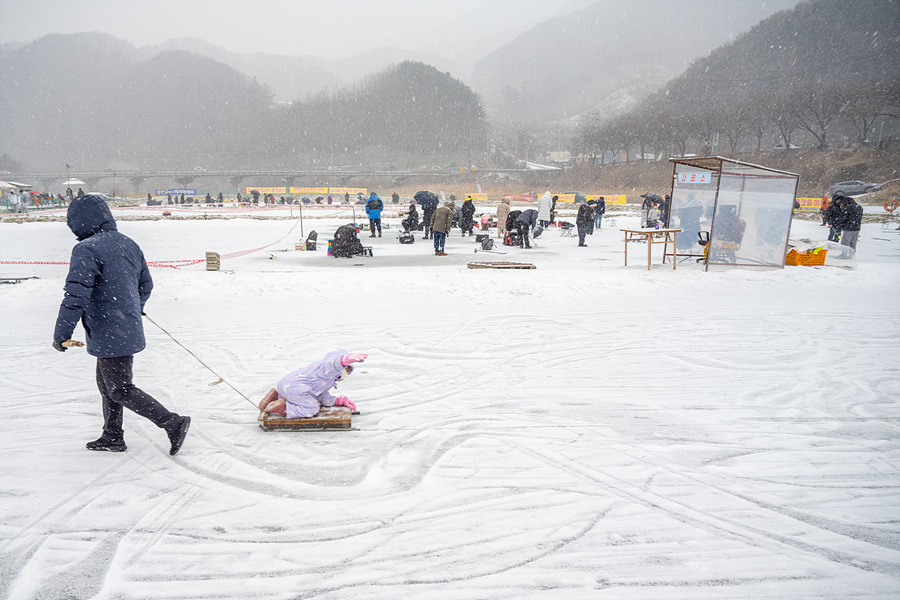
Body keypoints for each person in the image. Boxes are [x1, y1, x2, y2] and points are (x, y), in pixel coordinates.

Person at [52, 194, 190, 455]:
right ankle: (112, 435)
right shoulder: (128, 244)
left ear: (80, 222)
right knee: (107, 387)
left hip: (108, 330)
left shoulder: (86, 249)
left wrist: (61, 333)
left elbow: (76, 295)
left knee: (120, 389)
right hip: (121, 328)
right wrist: (132, 310)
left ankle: (172, 422)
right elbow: (145, 285)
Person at [259, 350, 367, 418]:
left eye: (348, 372)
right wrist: (344, 360)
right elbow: (331, 366)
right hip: (294, 388)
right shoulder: (325, 370)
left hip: (287, 385)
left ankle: (274, 399)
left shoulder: (324, 377)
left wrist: (337, 401)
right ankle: (283, 408)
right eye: (345, 370)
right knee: (312, 408)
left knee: (304, 397)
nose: (345, 374)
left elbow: (320, 394)